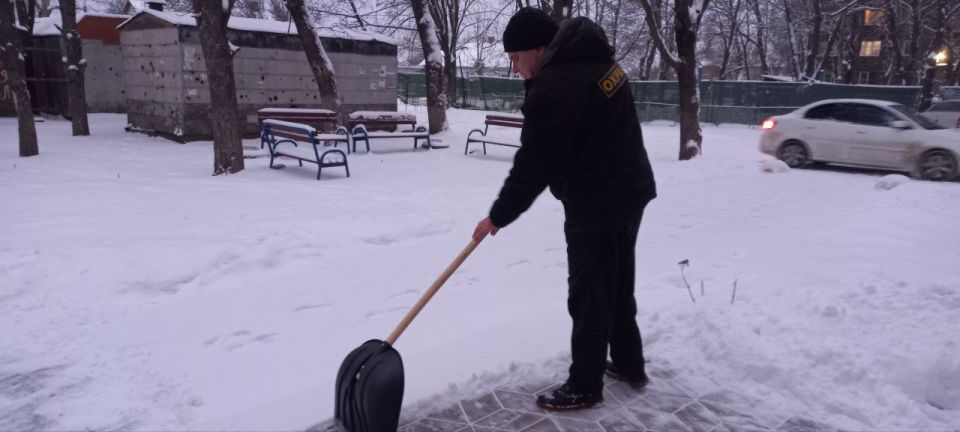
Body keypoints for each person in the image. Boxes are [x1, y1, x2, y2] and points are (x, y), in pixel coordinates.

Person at [472, 7, 657, 411]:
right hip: (630, 192)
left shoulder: (556, 85)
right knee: (617, 285)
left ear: (538, 49)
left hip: (597, 203)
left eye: (517, 58)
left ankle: (584, 386)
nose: (516, 68)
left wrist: (499, 214)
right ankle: (629, 364)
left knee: (589, 296)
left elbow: (535, 162)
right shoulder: (599, 63)